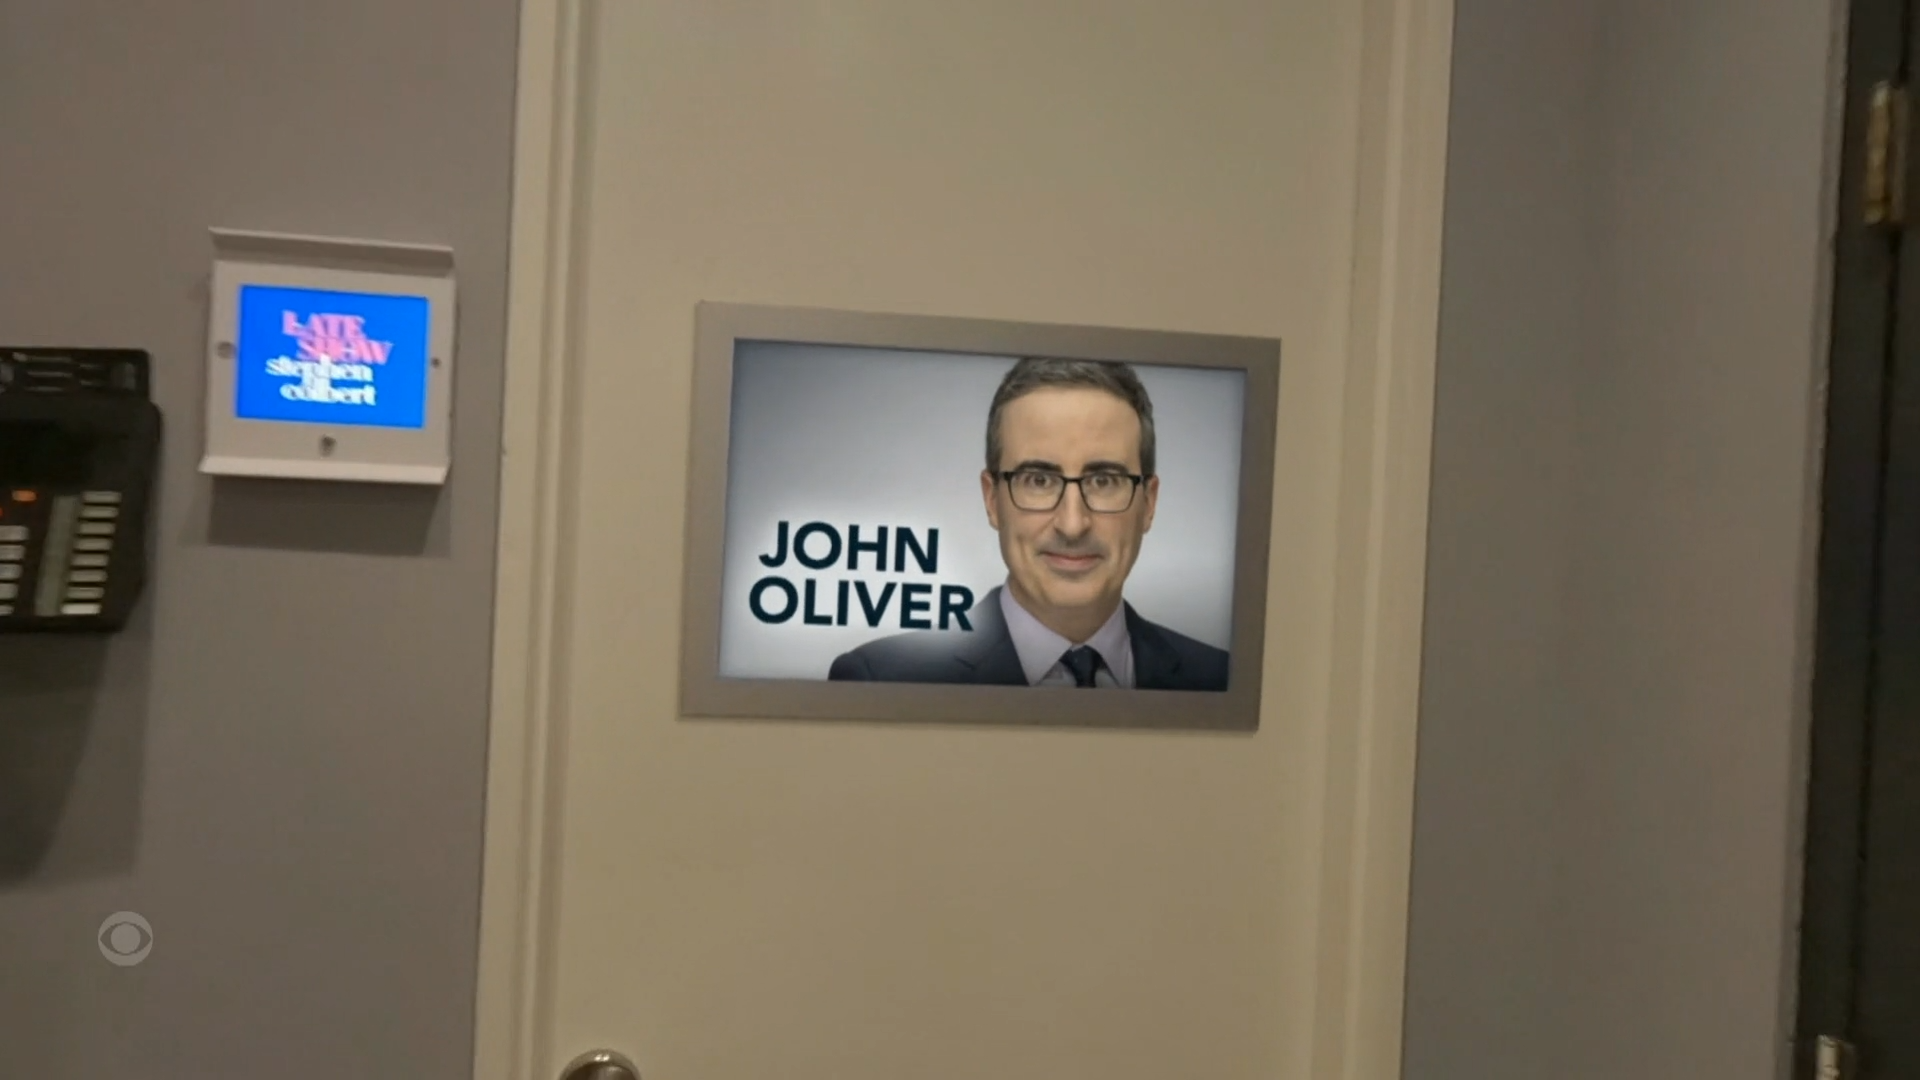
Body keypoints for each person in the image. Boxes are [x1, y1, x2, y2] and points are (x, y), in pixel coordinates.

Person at [827, 356, 1230, 691]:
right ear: (992, 500)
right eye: (1038, 481)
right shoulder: (881, 680)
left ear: (1149, 503)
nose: (1072, 525)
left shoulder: (1219, 679)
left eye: (1104, 481)